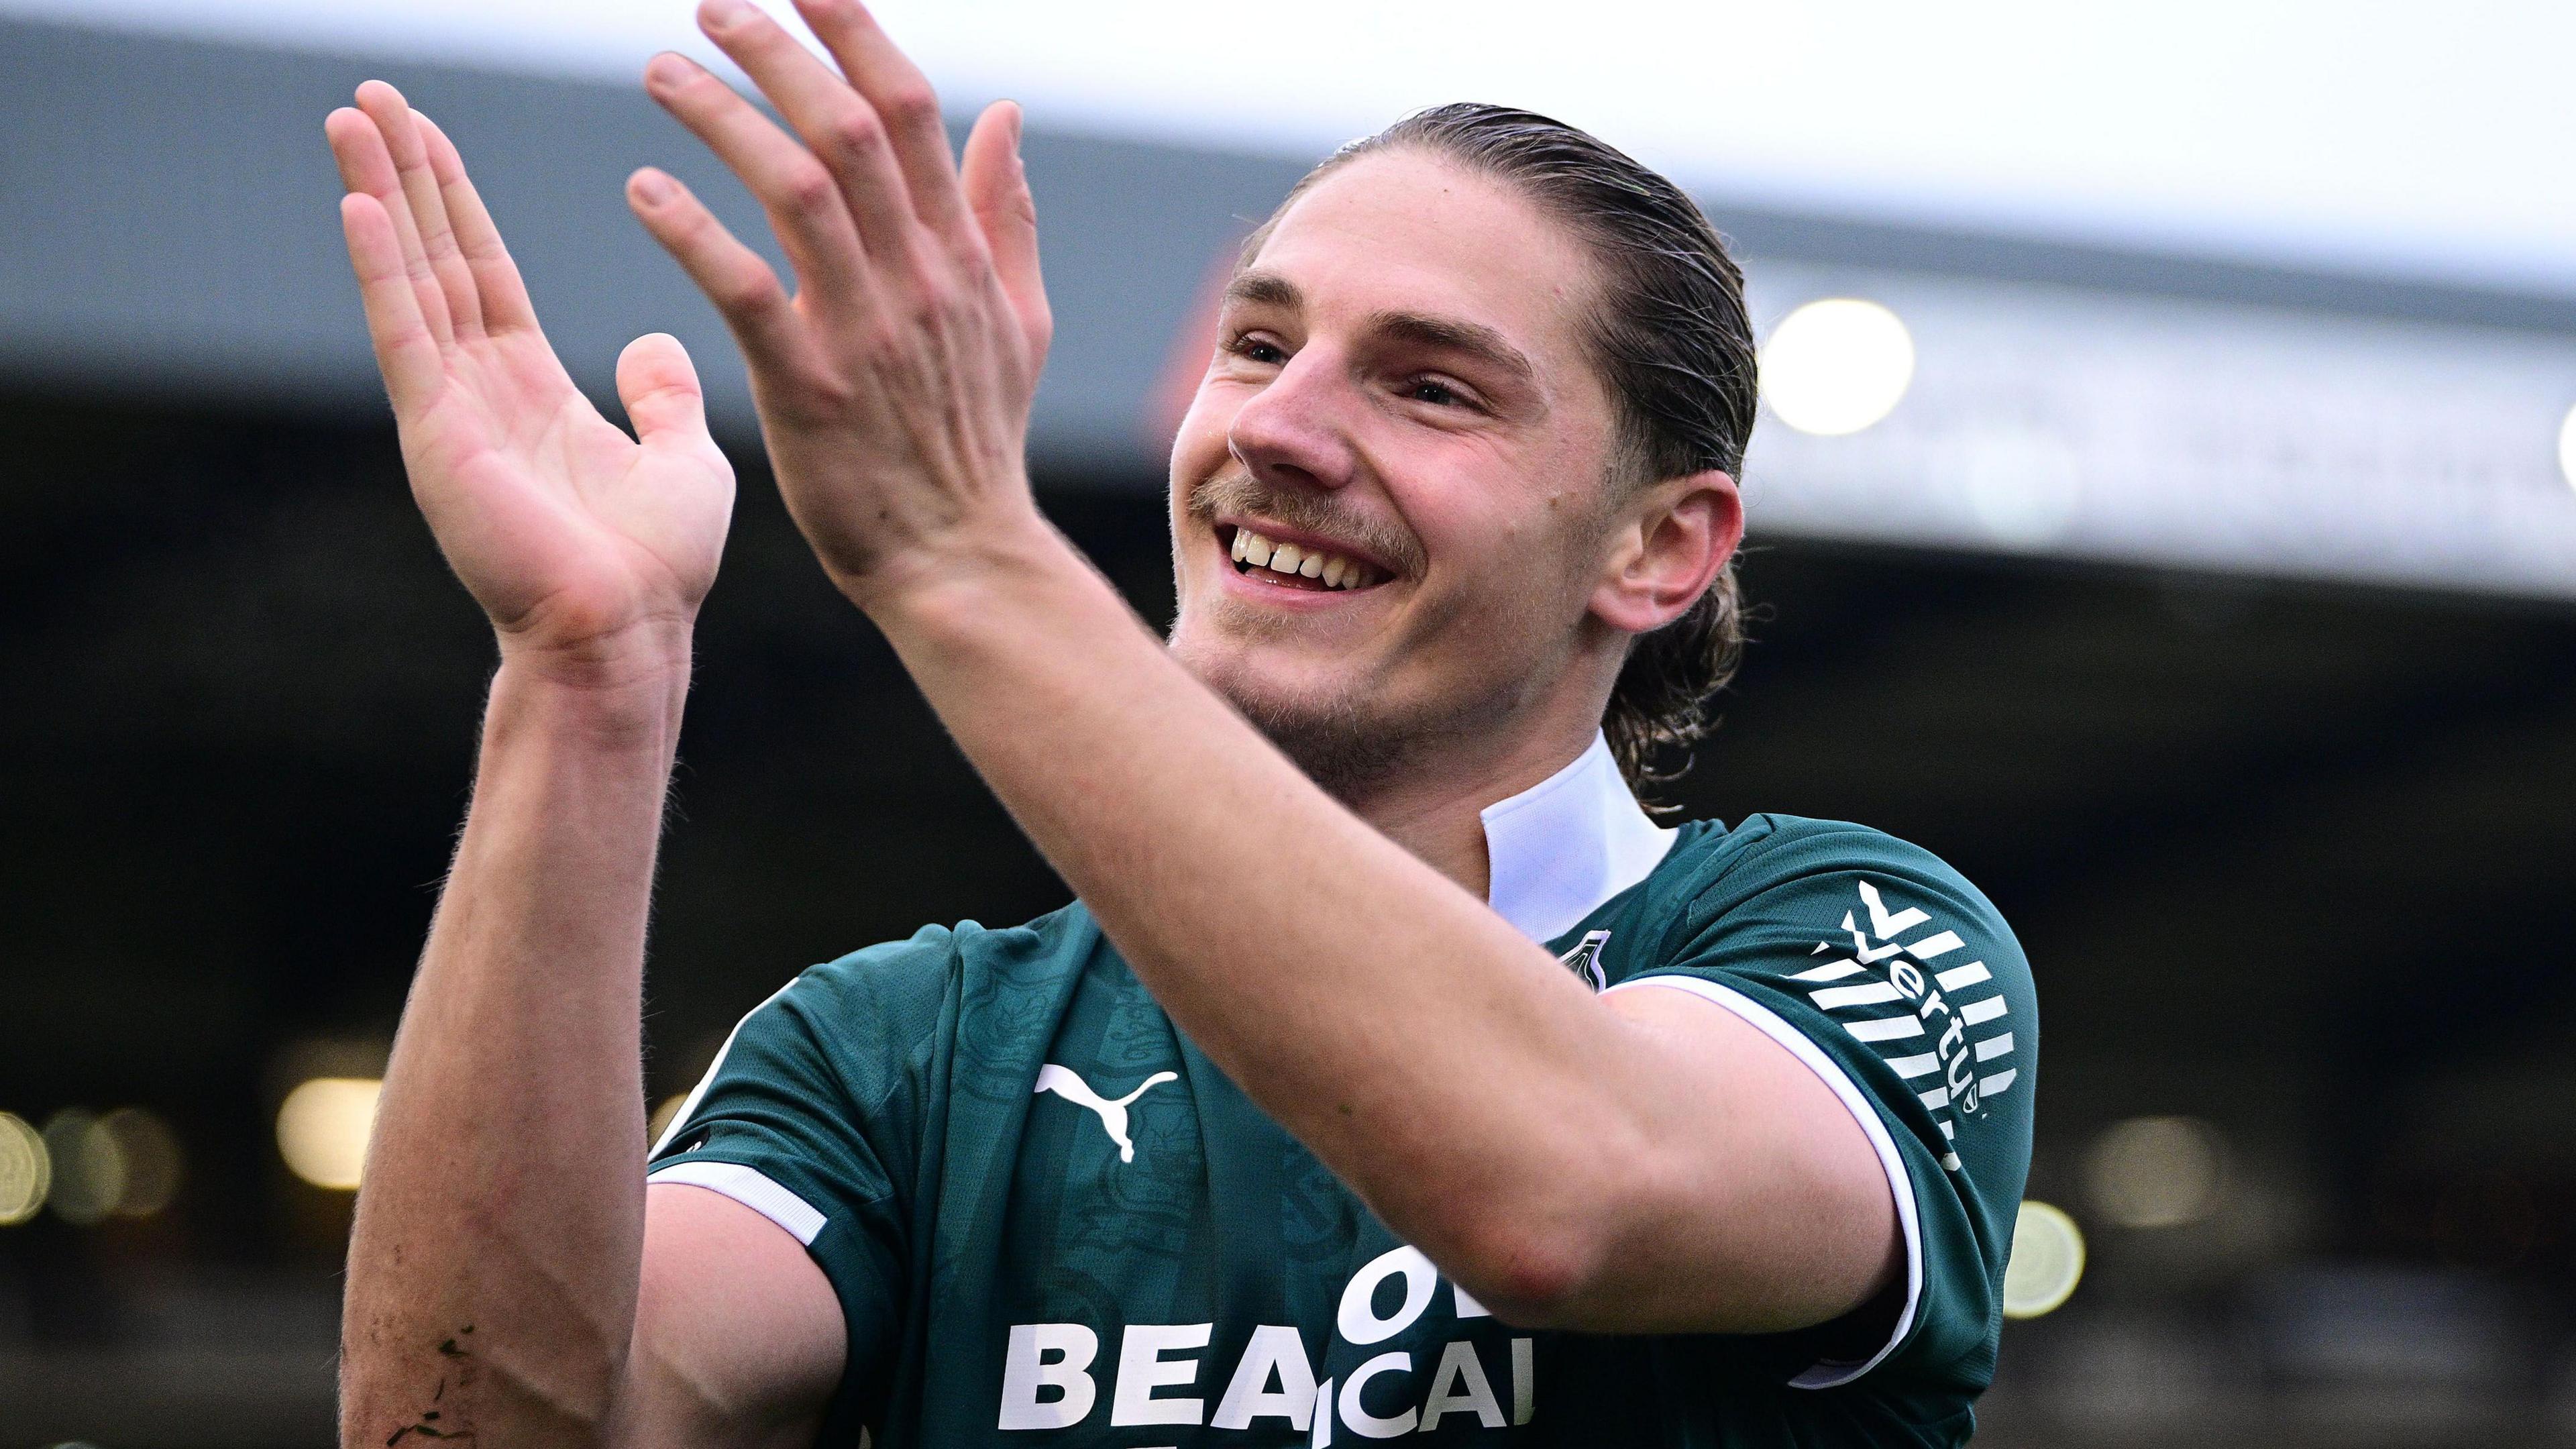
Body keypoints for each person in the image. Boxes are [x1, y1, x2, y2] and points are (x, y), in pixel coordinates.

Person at [323, 0, 2035, 1443]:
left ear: (1660, 546)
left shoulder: (1850, 942)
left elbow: (1557, 1192)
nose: (1277, 430)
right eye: (1258, 345)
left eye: (1429, 385)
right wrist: (584, 682)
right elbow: (476, 1430)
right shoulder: (905, 1049)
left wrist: (956, 550)